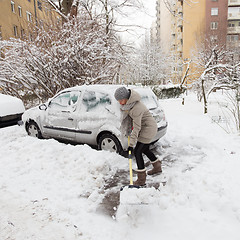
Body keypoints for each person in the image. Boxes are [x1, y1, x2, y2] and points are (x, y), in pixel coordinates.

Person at [114, 86, 162, 186]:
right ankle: (157, 167)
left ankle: (141, 180)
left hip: (148, 129)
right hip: (145, 127)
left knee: (138, 151)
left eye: (120, 100)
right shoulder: (129, 105)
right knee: (145, 149)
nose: (119, 103)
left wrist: (131, 144)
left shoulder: (136, 108)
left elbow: (136, 127)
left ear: (126, 98)